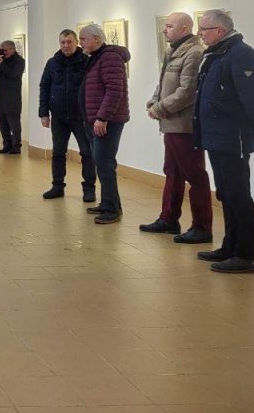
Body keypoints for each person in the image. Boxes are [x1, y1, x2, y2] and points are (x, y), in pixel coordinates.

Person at [193, 10, 254, 274]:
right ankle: (230, 246)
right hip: (217, 136)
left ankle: (245, 255)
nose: (200, 34)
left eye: (204, 29)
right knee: (225, 193)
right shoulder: (217, 54)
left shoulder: (241, 54)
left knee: (238, 194)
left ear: (220, 31)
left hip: (232, 137)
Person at [140, 13, 213, 243]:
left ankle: (202, 227)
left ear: (184, 28)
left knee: (195, 174)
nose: (165, 30)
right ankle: (168, 219)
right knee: (172, 171)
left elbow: (187, 91)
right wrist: (154, 102)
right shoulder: (173, 51)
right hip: (170, 124)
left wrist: (160, 108)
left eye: (169, 26)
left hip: (184, 125)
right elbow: (163, 83)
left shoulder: (194, 53)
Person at [78, 23, 131, 225]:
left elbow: (114, 90)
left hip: (107, 121)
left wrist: (103, 118)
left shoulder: (110, 58)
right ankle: (109, 203)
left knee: (104, 162)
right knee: (102, 162)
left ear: (97, 39)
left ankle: (111, 209)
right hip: (94, 119)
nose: (81, 43)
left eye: (83, 39)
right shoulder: (97, 57)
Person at [38, 30, 96, 202]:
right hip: (59, 116)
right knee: (58, 152)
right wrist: (43, 113)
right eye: (62, 42)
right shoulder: (52, 63)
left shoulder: (86, 61)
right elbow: (44, 87)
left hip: (81, 117)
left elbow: (94, 88)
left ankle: (89, 189)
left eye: (69, 42)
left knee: (87, 153)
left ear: (76, 42)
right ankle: (57, 186)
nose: (66, 45)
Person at [0, 40, 25, 154]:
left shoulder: (19, 61)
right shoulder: (2, 59)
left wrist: (1, 63)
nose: (3, 52)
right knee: (2, 123)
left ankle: (16, 146)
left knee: (14, 123)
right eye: (1, 50)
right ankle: (7, 144)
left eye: (4, 50)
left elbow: (12, 74)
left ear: (12, 49)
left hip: (12, 98)